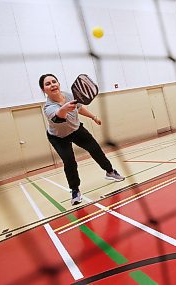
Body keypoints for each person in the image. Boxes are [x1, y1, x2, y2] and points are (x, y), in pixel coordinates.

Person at [39, 74, 125, 206]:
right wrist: (65, 108)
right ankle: (75, 190)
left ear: (58, 83)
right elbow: (59, 116)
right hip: (58, 138)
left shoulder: (69, 95)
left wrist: (93, 117)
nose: (52, 85)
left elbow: (79, 108)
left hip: (76, 130)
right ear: (43, 90)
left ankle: (110, 171)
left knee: (96, 149)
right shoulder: (48, 107)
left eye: (54, 81)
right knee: (70, 162)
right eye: (48, 84)